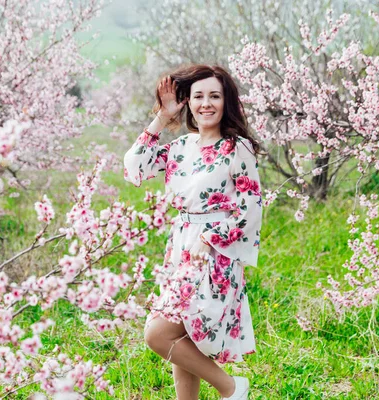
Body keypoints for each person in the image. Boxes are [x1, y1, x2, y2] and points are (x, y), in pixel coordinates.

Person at [123, 64, 263, 400]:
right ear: (188, 102)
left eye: (214, 96)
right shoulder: (180, 148)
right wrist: (162, 118)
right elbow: (133, 166)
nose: (206, 104)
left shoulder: (236, 148)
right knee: (181, 337)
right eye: (198, 96)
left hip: (216, 255)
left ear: (225, 101)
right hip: (180, 250)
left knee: (158, 333)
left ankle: (231, 387)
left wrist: (209, 238)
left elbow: (251, 210)